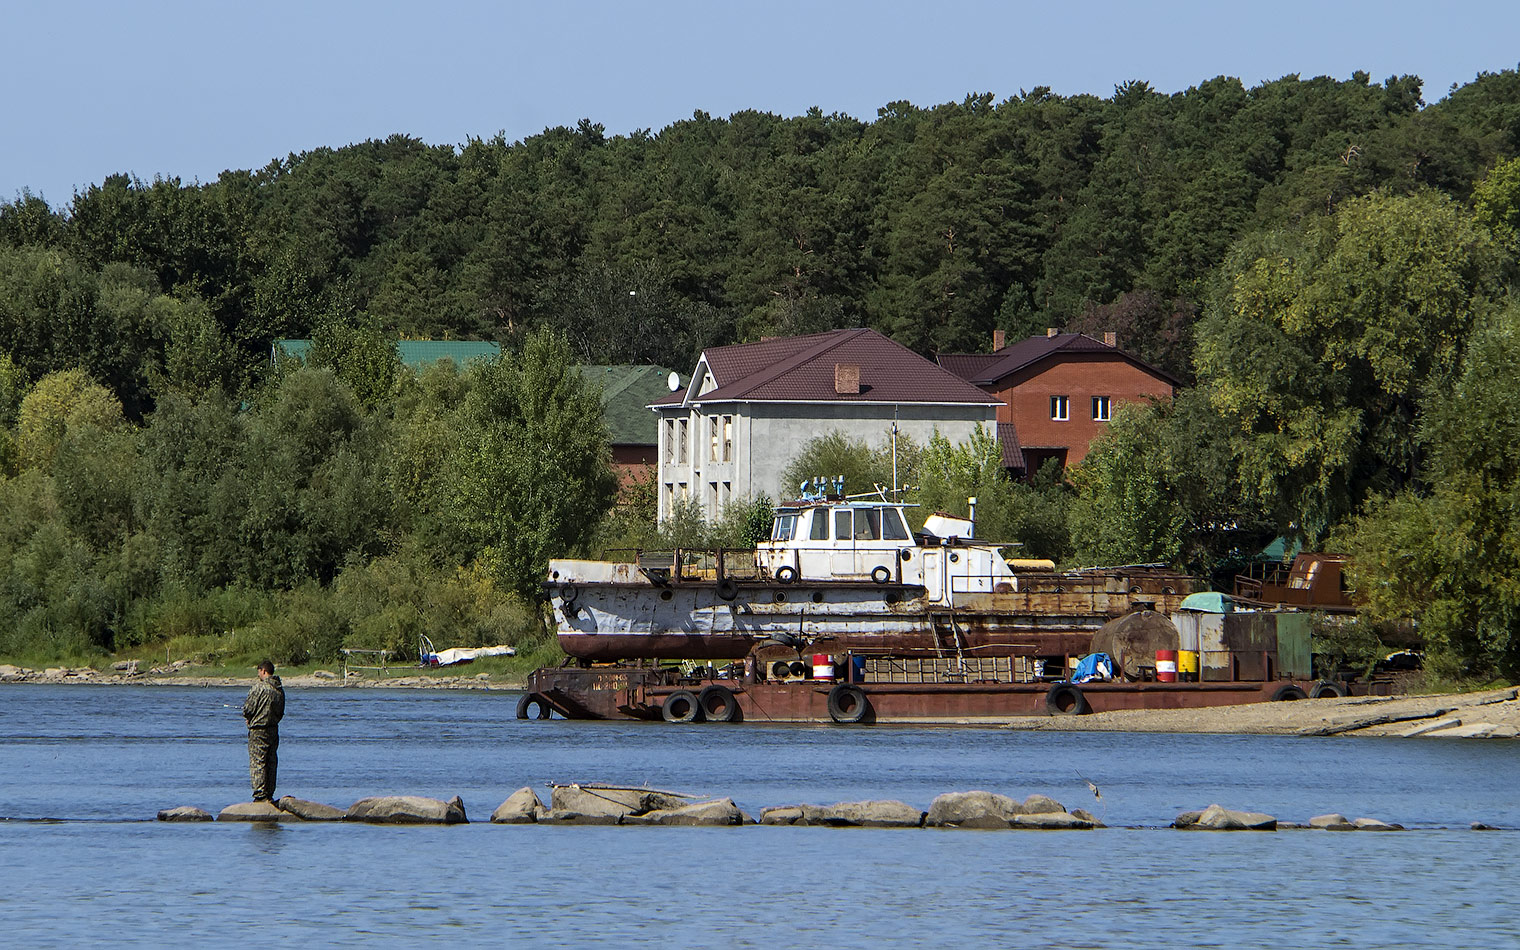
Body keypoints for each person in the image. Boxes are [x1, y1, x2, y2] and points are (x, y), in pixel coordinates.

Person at [241, 660, 286, 802]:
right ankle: (269, 794)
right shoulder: (279, 690)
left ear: (264, 671)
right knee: (271, 761)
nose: (258, 675)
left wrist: (248, 718)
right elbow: (280, 712)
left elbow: (248, 708)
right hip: (273, 730)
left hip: (258, 730)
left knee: (258, 762)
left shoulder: (259, 688)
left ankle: (260, 795)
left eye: (259, 672)